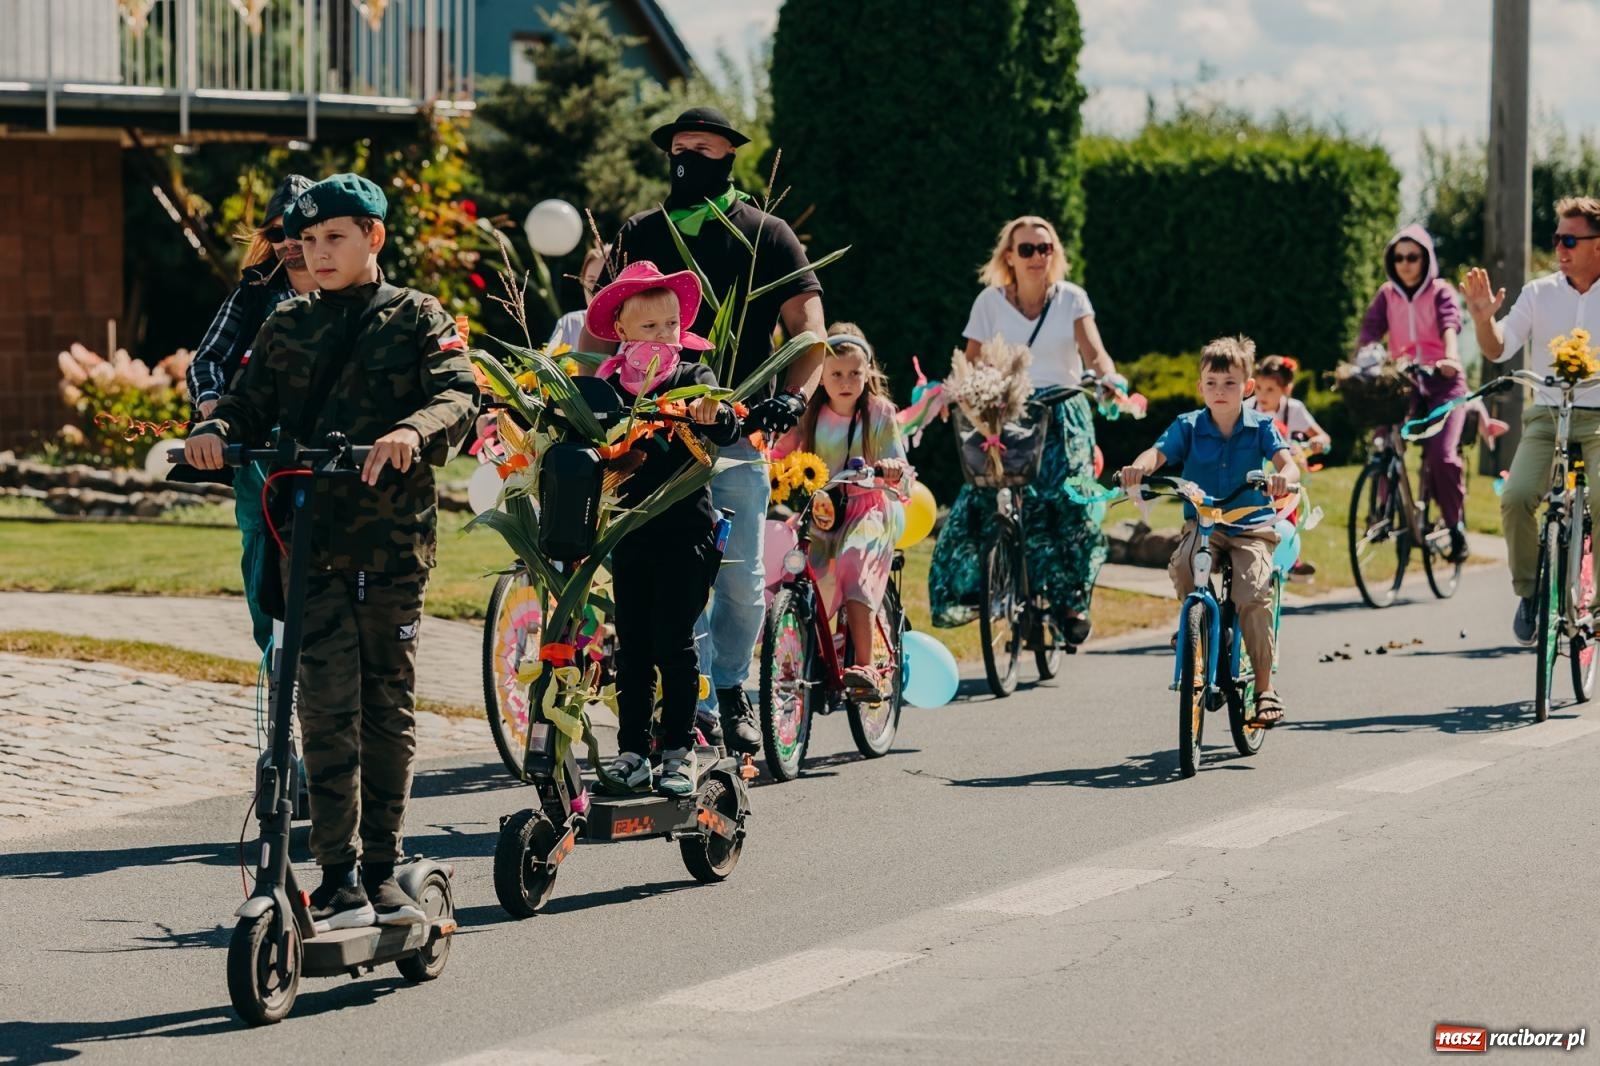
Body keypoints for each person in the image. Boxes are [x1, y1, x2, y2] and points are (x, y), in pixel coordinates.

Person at [183, 174, 479, 930]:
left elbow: (457, 394)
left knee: (385, 705)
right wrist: (215, 429)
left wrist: (413, 431)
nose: (317, 254)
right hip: (307, 546)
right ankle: (337, 873)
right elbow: (248, 400)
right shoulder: (285, 324)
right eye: (307, 242)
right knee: (321, 707)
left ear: (374, 238)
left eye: (334, 239)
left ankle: (382, 866)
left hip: (390, 549)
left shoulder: (418, 316)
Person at [584, 106, 828, 754]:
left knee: (740, 581)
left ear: (730, 155)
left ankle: (732, 688)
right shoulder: (640, 231)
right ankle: (687, 705)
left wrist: (793, 399)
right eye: (680, 147)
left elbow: (812, 330)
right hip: (651, 444)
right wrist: (579, 399)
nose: (689, 157)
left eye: (705, 148)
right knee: (668, 580)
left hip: (735, 432)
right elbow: (595, 329)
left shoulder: (766, 232)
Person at [586, 261, 743, 795]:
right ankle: (632, 750)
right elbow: (586, 431)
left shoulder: (691, 376)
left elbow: (726, 422)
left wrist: (710, 412)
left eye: (670, 325)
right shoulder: (607, 385)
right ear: (622, 331)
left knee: (674, 644)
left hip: (686, 532)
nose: (661, 336)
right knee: (630, 648)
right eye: (648, 327)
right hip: (629, 531)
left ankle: (678, 750)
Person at [929, 215, 1120, 645]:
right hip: (1008, 415)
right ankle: (1002, 590)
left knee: (1068, 505)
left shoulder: (1072, 298)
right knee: (991, 498)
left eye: (1045, 248)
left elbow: (1095, 353)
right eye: (1027, 249)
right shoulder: (989, 303)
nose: (1037, 256)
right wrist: (953, 396)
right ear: (1009, 257)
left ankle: (1070, 602)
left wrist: (1110, 379)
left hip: (1063, 413)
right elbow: (973, 361)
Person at [1120, 336, 1300, 726]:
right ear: (1200, 387)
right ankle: (1196, 629)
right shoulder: (1187, 426)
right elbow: (1157, 452)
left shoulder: (1262, 427)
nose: (1220, 391)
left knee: (1252, 591)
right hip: (1204, 526)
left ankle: (1266, 689)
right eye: (1212, 383)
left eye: (1230, 383)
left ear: (1247, 388)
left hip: (1251, 526)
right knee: (1185, 564)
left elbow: (1289, 464)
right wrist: (1139, 467)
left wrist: (1283, 478)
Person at [186, 173, 317, 652]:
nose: (289, 243)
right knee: (260, 546)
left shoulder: (350, 292)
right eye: (277, 233)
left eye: (299, 230)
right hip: (259, 444)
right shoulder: (255, 293)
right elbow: (207, 360)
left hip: (329, 444)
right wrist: (212, 408)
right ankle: (275, 655)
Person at [1463, 196, 1600, 645]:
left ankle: (1596, 609)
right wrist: (1484, 318)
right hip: (1546, 415)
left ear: (1597, 245)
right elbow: (1497, 348)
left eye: (1570, 238)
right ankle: (1530, 591)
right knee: (1517, 496)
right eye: (1556, 237)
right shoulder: (1538, 292)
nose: (1560, 247)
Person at [770, 324, 911, 697]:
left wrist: (893, 469)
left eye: (854, 373)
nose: (845, 381)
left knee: (852, 557)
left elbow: (898, 463)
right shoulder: (810, 416)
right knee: (796, 568)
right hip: (823, 513)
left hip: (868, 509)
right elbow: (781, 453)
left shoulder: (878, 413)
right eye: (835, 374)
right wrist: (769, 466)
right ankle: (797, 654)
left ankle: (865, 666)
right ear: (822, 377)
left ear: (868, 374)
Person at [1357, 224, 1470, 563]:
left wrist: (1450, 357)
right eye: (1399, 257)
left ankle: (1454, 526)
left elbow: (1451, 323)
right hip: (1404, 380)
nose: (1405, 263)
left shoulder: (1440, 291)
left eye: (1413, 257)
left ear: (1426, 259)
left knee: (1441, 455)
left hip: (1443, 381)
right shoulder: (1387, 293)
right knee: (1384, 441)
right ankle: (1381, 512)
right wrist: (1362, 362)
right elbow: (1370, 331)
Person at [1247, 354, 1330, 577]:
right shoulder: (1247, 409)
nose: (1262, 395)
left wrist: (1318, 442)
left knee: (1286, 509)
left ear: (1285, 389)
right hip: (1253, 474)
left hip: (1283, 475)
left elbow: (1322, 436)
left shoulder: (1293, 409)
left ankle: (1291, 560)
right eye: (1259, 388)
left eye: (1270, 390)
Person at [545, 243, 609, 353]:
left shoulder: (638, 327)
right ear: (582, 280)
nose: (595, 288)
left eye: (605, 280)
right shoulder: (569, 324)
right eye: (591, 280)